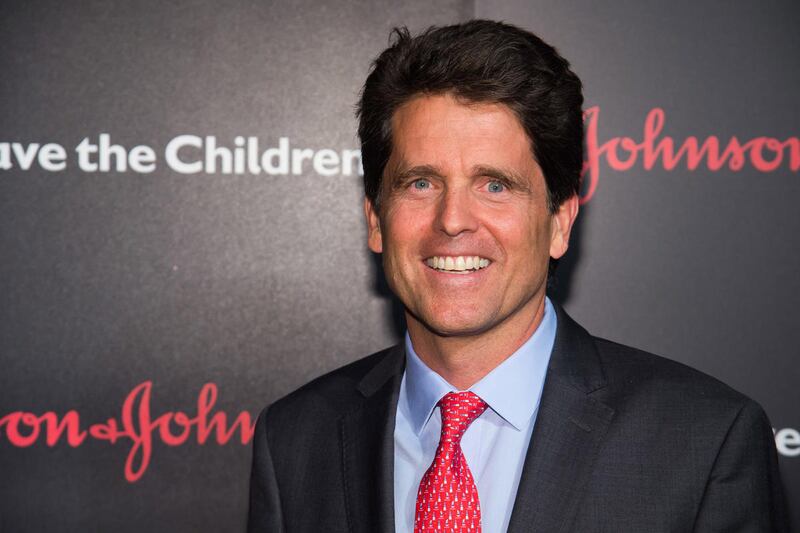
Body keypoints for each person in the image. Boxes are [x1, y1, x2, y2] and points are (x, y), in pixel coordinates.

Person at [248, 20, 789, 533]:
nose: (453, 220)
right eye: (420, 184)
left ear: (559, 222)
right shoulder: (295, 439)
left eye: (495, 186)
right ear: (375, 221)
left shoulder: (703, 440)